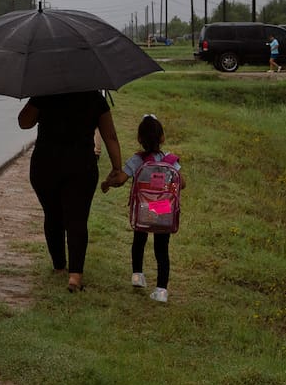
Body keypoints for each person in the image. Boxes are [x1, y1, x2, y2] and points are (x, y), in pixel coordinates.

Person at [18, 91, 125, 293]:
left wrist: (37, 95)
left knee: (52, 214)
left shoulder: (45, 93)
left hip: (45, 165)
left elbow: (24, 122)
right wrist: (117, 169)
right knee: (77, 218)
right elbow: (110, 135)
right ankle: (75, 276)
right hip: (81, 165)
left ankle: (59, 266)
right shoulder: (95, 97)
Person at [102, 114, 184, 303]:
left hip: (144, 208)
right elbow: (182, 183)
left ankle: (137, 276)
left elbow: (121, 180)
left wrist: (107, 182)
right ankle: (161, 290)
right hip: (163, 209)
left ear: (139, 139)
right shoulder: (170, 160)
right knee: (162, 250)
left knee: (139, 241)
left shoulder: (137, 160)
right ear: (162, 138)